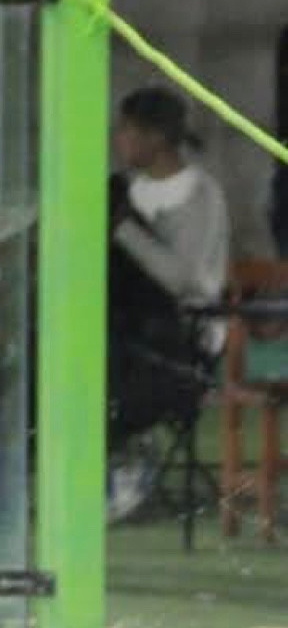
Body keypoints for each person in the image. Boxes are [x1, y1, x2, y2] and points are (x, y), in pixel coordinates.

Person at [105, 84, 231, 522]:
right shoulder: (121, 189)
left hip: (182, 341)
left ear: (156, 137)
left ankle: (126, 462)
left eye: (125, 130)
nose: (116, 139)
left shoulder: (202, 196)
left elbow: (184, 279)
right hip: (124, 330)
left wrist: (123, 230)